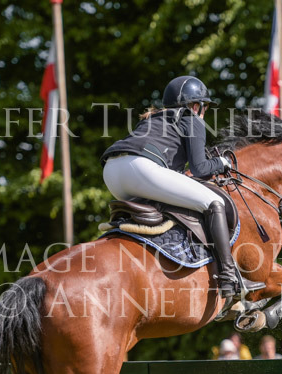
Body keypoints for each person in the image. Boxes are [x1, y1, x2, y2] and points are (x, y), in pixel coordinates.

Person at [100, 76, 239, 300]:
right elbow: (200, 168)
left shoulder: (153, 118)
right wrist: (222, 162)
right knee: (214, 202)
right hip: (141, 168)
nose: (204, 112)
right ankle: (228, 276)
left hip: (111, 172)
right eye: (204, 107)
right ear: (196, 105)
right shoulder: (191, 118)